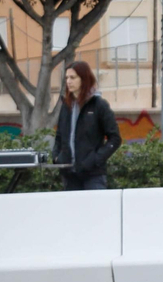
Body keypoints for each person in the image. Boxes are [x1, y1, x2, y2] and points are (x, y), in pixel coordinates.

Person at [51, 61, 121, 190]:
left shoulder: (98, 105)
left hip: (93, 176)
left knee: (96, 209)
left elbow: (115, 138)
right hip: (69, 174)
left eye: (73, 77)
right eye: (66, 78)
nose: (68, 81)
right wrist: (57, 157)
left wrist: (95, 160)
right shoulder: (66, 106)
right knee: (72, 210)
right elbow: (59, 136)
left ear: (83, 79)